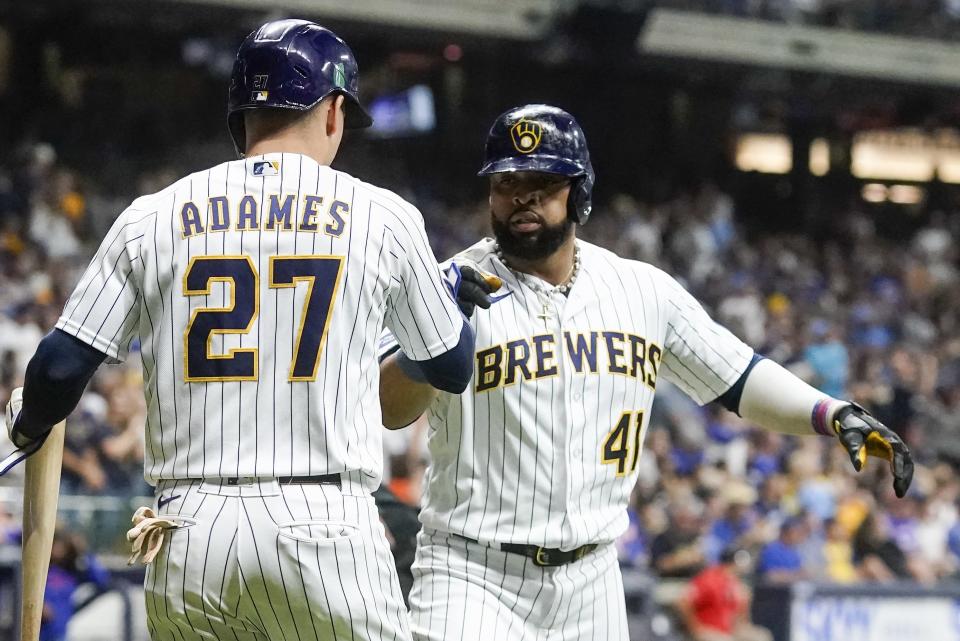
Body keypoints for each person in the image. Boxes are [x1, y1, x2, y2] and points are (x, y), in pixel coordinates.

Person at [4, 18, 474, 641]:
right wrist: (451, 304)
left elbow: (57, 369)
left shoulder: (155, 214)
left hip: (193, 533)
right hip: (326, 526)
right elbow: (449, 367)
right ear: (333, 111)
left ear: (241, 116)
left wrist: (30, 425)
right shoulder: (383, 216)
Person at [377, 104, 913, 640]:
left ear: (579, 192)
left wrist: (830, 411)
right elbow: (388, 408)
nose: (523, 197)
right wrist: (434, 343)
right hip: (472, 573)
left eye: (543, 181)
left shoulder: (641, 290)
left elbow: (739, 377)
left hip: (592, 579)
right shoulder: (446, 286)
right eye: (507, 182)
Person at [677, 547, 772, 641]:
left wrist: (742, 626)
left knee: (761, 636)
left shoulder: (736, 583)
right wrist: (695, 628)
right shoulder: (708, 579)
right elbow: (683, 602)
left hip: (729, 630)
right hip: (709, 629)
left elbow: (741, 614)